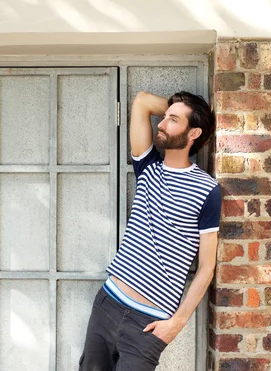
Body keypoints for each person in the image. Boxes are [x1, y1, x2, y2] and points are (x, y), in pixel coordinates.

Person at [79, 91, 222, 371]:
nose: (162, 124)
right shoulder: (148, 168)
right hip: (108, 304)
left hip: (149, 322)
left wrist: (177, 323)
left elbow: (207, 266)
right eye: (165, 117)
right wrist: (178, 110)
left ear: (193, 132)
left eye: (173, 120)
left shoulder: (208, 190)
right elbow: (142, 101)